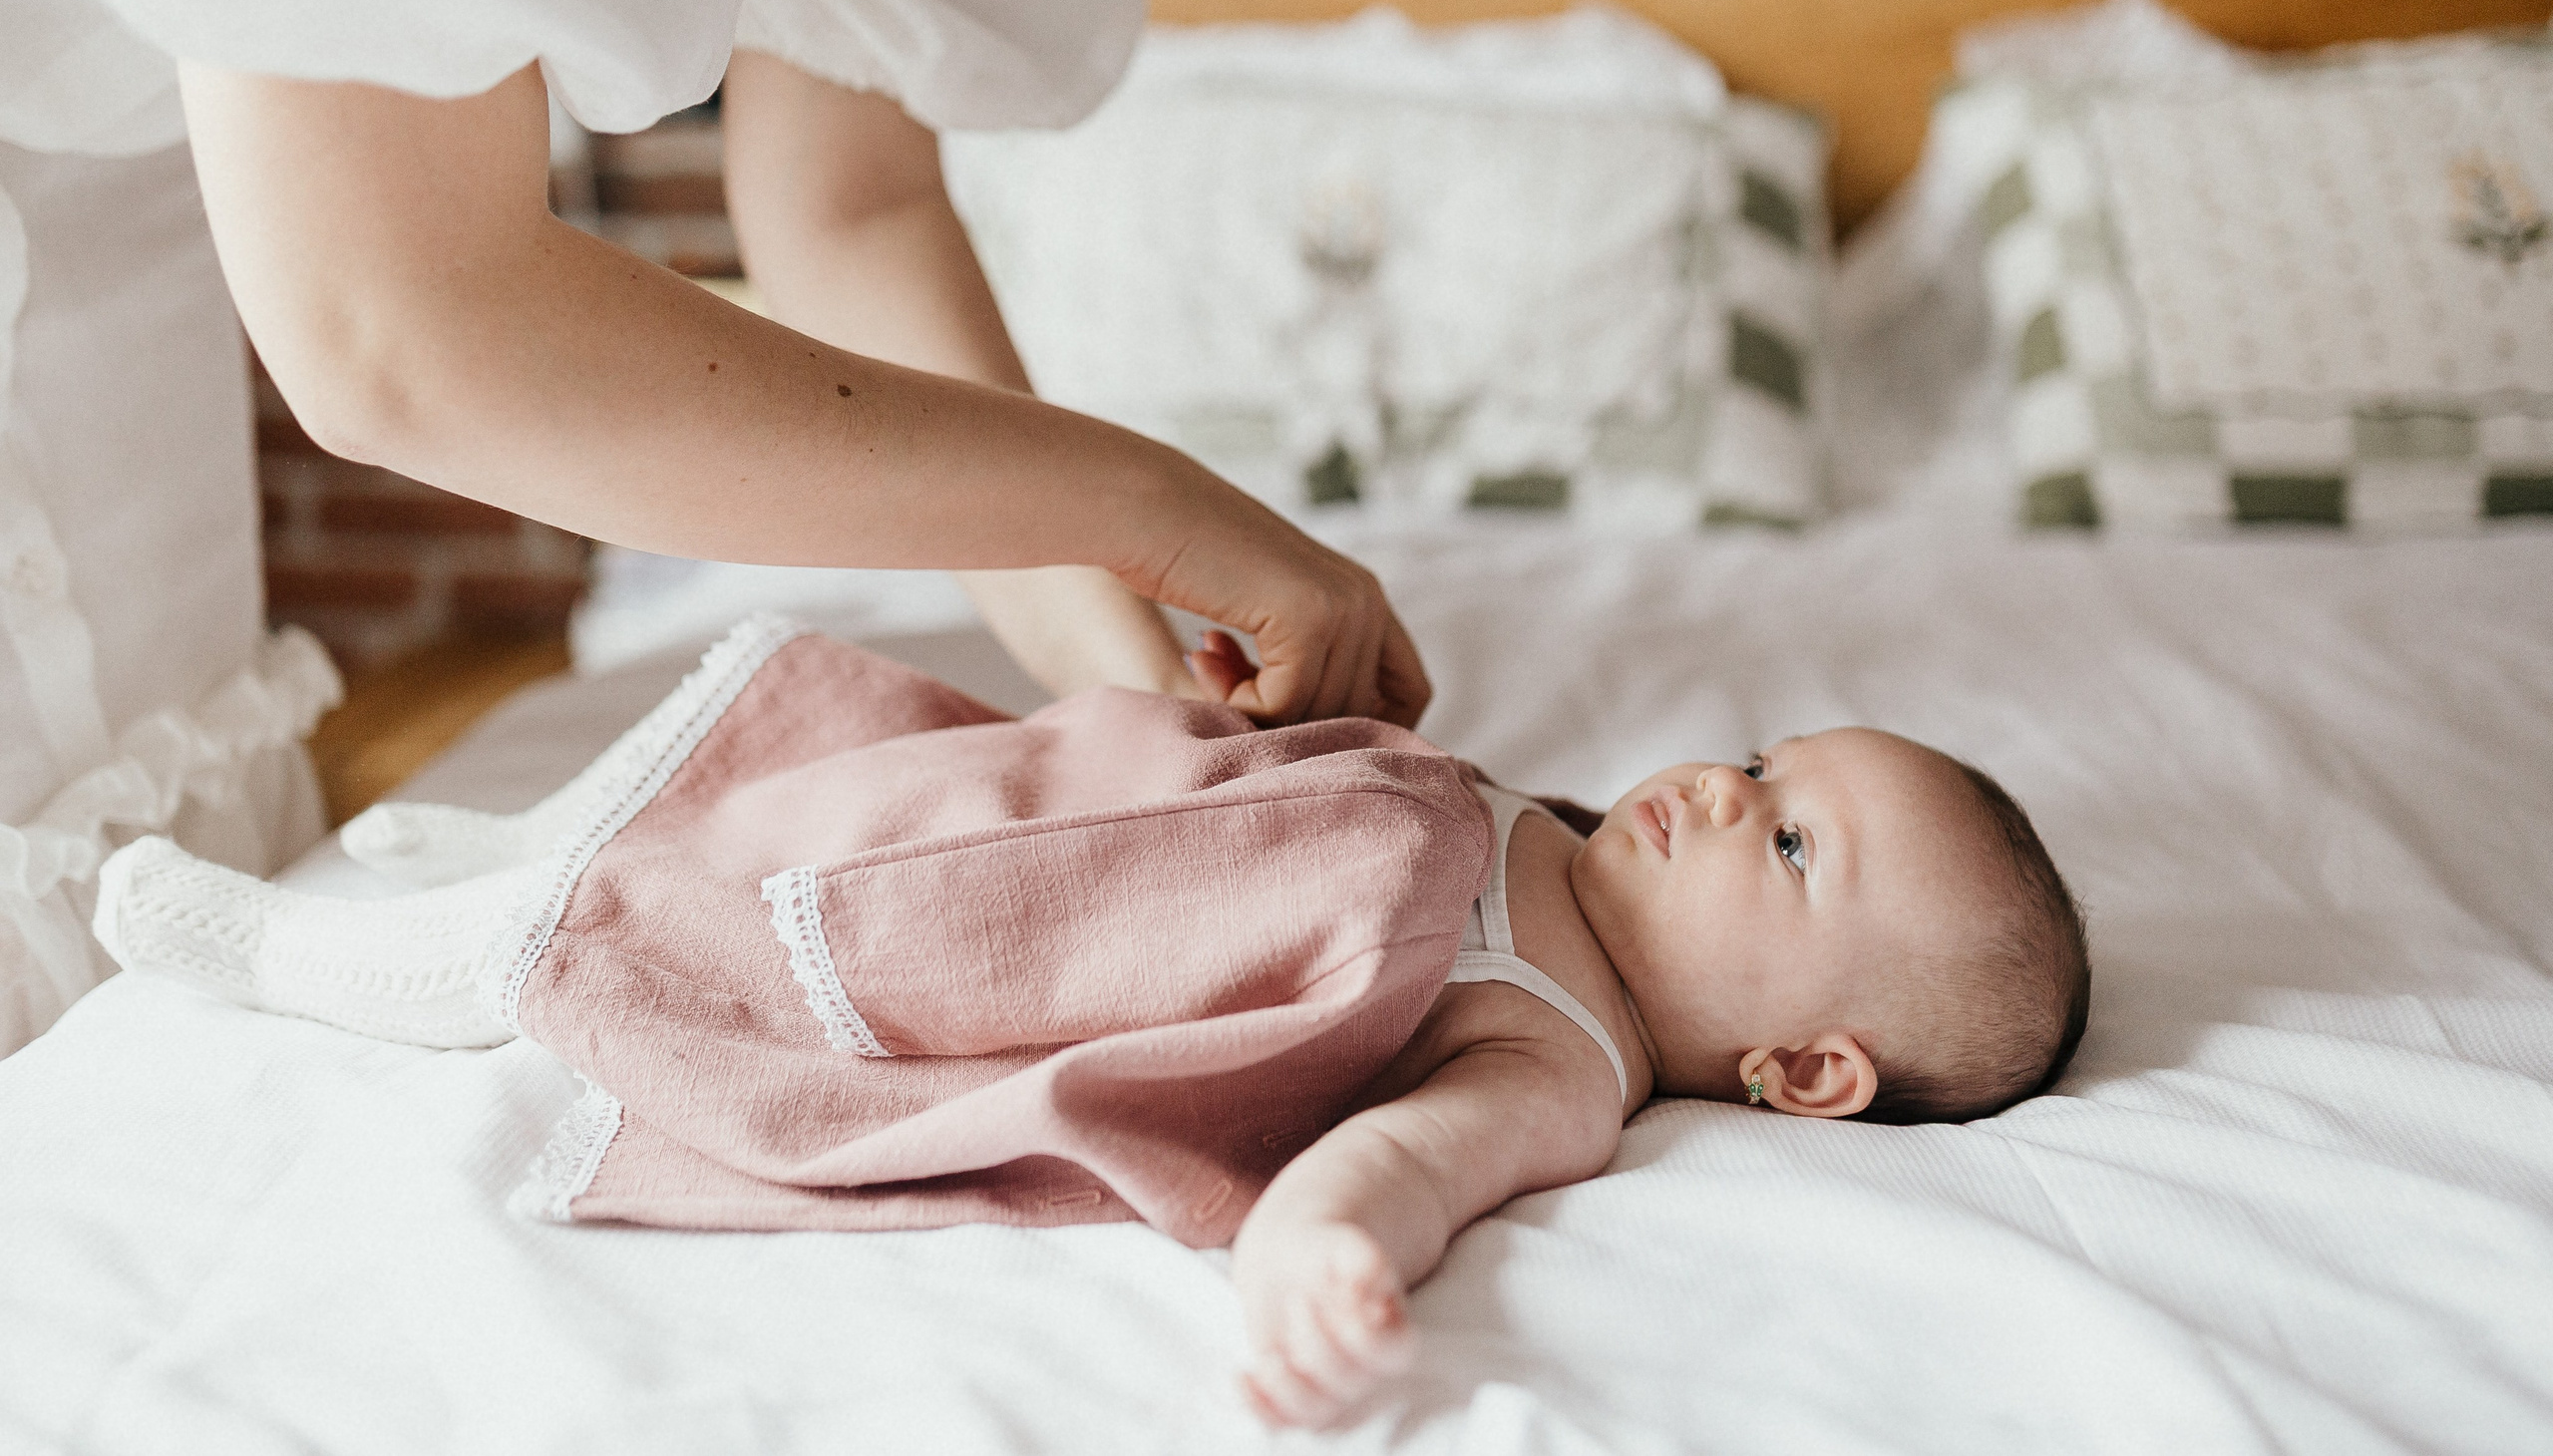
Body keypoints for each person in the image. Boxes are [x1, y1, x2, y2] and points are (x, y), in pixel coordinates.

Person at [0, 0, 1428, 1052]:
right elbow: (396, 336)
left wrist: (1117, 673)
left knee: (147, 926)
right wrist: (1148, 505)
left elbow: (849, 207)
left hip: (131, 366)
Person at [95, 623, 2092, 1432]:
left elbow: (1407, 1155)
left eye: (1795, 838)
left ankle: (446, 958)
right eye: (1762, 759)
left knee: (782, 891)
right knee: (809, 709)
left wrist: (1322, 1249)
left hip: (988, 925)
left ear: (1803, 1068)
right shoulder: (1565, 832)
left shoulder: (1559, 1049)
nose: (1727, 789)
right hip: (1034, 781)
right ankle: (559, 835)